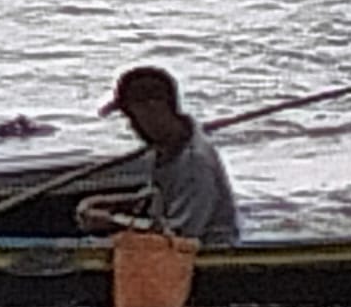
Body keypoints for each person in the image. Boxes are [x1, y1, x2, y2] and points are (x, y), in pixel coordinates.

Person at [76, 65, 239, 244]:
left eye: (132, 116)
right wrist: (115, 203)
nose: (132, 126)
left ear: (154, 108)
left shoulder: (195, 162)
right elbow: (158, 196)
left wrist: (114, 222)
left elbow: (179, 235)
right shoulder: (166, 147)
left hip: (203, 253)